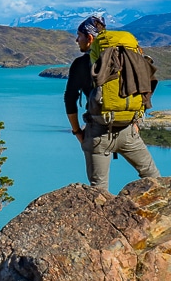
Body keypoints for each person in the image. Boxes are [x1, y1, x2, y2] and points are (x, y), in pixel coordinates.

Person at [64, 16, 160, 192]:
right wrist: (135, 122)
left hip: (98, 133)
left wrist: (78, 132)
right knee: (153, 177)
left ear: (90, 38)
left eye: (79, 35)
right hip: (128, 131)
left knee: (98, 191)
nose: (77, 40)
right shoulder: (126, 58)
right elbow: (143, 86)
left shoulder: (81, 64)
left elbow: (70, 99)